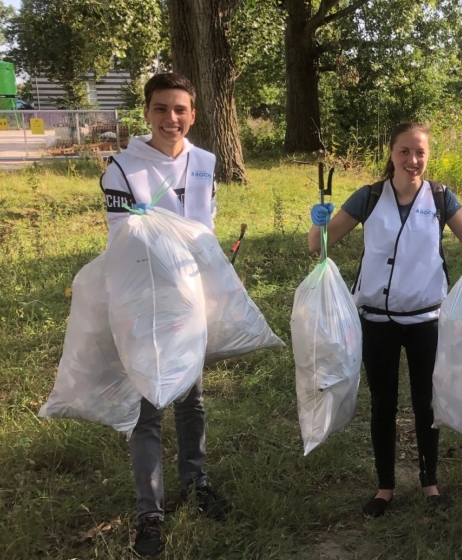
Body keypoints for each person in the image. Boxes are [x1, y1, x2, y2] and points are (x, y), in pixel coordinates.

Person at [307, 121, 462, 518]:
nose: (412, 160)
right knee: (383, 403)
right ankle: (384, 486)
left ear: (428, 156)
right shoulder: (370, 196)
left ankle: (429, 481)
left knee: (426, 402)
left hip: (426, 319)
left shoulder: (440, 197)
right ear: (391, 154)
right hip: (377, 320)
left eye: (419, 152)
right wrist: (319, 224)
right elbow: (319, 245)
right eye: (404, 151)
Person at [99, 72, 229, 557]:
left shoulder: (204, 163)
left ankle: (196, 483)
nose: (170, 119)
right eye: (160, 109)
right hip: (143, 302)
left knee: (190, 401)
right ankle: (148, 512)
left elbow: (205, 229)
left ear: (193, 114)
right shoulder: (123, 167)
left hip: (189, 300)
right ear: (147, 112)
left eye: (180, 109)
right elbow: (125, 239)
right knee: (148, 408)